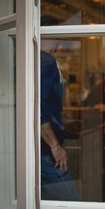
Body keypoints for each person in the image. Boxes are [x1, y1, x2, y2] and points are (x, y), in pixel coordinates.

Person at [40, 50, 79, 201]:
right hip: (47, 153)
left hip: (44, 150)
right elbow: (36, 106)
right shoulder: (46, 61)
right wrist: (54, 145)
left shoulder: (46, 60)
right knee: (72, 206)